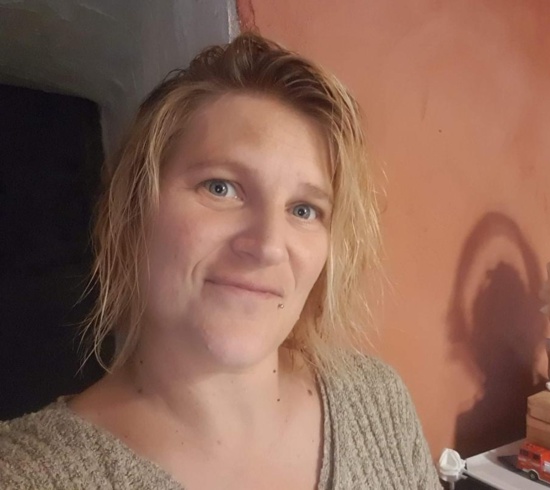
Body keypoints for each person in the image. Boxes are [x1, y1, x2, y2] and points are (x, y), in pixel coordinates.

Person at [0, 32, 439, 489]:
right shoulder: (27, 476)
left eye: (303, 210)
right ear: (133, 210)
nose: (268, 245)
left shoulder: (376, 401)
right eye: (221, 188)